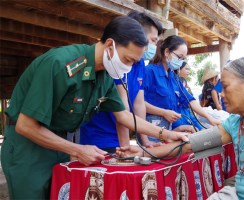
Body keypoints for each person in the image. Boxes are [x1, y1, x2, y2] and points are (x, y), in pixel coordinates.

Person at [1, 16, 188, 199]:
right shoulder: (59, 64)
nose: (129, 68)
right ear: (109, 45)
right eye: (128, 60)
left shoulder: (105, 75)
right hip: (27, 147)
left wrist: (166, 134)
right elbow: (25, 126)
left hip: (59, 143)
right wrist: (77, 150)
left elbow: (123, 115)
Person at [117, 55, 244, 199]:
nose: (220, 93)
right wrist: (142, 153)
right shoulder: (236, 123)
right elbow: (190, 144)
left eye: (226, 86)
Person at [80, 11, 164, 151]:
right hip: (100, 138)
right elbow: (122, 111)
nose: (155, 46)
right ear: (138, 35)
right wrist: (126, 148)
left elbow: (139, 103)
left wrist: (145, 140)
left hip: (121, 136)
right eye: (153, 40)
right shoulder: (118, 62)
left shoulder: (139, 63)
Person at [143, 35, 220, 142]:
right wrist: (163, 112)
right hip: (150, 129)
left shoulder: (174, 78)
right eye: (179, 57)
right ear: (166, 52)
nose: (180, 61)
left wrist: (210, 118)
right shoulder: (149, 72)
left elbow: (190, 101)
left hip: (169, 129)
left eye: (183, 58)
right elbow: (138, 103)